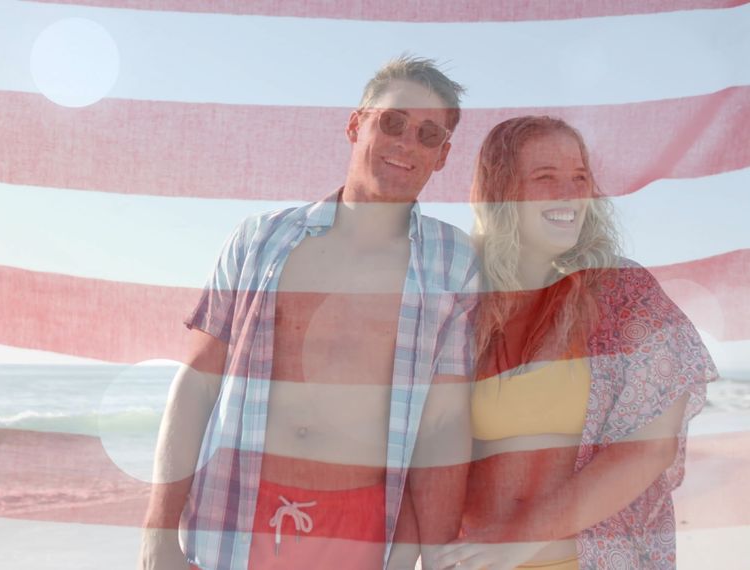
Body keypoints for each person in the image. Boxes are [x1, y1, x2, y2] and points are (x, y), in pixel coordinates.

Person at [139, 56, 477, 570]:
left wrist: (433, 557)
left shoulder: (455, 265)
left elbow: (443, 430)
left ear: (443, 156)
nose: (407, 143)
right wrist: (158, 533)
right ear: (355, 123)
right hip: (233, 518)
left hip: (364, 533)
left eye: (428, 134)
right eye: (392, 122)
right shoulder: (260, 239)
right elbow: (195, 386)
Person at [433, 116, 719, 570]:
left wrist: (520, 540)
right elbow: (423, 450)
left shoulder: (623, 293)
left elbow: (649, 446)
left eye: (580, 178)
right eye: (545, 177)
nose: (569, 193)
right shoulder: (461, 302)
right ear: (500, 191)